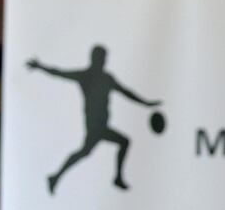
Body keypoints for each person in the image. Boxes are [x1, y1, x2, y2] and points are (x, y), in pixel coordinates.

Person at [27, 44, 162, 194]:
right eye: (102, 58)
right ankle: (115, 178)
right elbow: (60, 73)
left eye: (105, 58)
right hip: (95, 125)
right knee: (119, 143)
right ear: (95, 58)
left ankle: (56, 176)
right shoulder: (85, 76)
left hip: (101, 124)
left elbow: (126, 92)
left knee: (85, 151)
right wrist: (40, 66)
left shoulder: (107, 78)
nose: (104, 61)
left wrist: (146, 103)